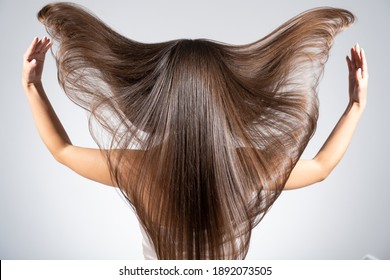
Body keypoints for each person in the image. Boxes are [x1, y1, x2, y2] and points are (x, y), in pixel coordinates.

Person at [22, 3, 368, 259]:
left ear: (160, 102)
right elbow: (321, 167)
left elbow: (62, 150)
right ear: (225, 101)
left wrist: (33, 86)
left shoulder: (135, 168)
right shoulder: (246, 167)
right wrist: (355, 105)